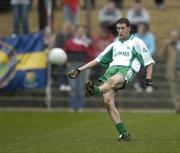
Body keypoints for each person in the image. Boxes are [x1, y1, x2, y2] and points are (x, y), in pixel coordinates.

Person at [67, 18, 155, 141]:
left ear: (129, 28)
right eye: (118, 28)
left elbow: (149, 62)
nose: (120, 31)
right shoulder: (114, 44)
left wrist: (148, 78)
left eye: (123, 28)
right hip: (111, 70)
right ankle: (123, 133)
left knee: (112, 81)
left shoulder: (137, 42)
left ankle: (94, 90)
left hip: (126, 70)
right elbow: (97, 60)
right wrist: (78, 70)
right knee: (108, 102)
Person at [64, 25, 94, 112]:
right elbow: (64, 53)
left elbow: (91, 55)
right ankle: (72, 107)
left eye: (82, 31)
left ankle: (80, 107)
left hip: (83, 66)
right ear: (76, 32)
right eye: (79, 31)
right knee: (73, 86)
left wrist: (85, 45)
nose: (80, 33)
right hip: (72, 65)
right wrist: (67, 63)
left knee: (81, 87)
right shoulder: (69, 42)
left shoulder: (87, 42)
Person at [134, 22, 156, 93]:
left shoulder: (150, 36)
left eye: (142, 28)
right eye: (139, 28)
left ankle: (140, 84)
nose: (140, 30)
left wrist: (145, 55)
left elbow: (152, 48)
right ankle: (144, 84)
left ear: (146, 29)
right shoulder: (134, 37)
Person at [162, 29, 180, 113]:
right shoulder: (168, 45)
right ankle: (177, 108)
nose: (173, 38)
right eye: (172, 36)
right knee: (174, 90)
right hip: (172, 71)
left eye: (175, 36)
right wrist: (166, 45)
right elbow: (163, 54)